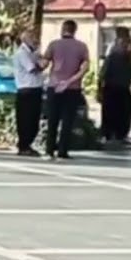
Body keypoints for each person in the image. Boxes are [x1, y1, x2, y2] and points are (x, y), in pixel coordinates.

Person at [41, 20, 91, 160]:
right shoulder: (82, 47)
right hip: (72, 88)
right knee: (68, 120)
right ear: (75, 30)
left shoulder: (53, 45)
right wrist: (72, 80)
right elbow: (85, 68)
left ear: (62, 29)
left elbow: (44, 64)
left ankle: (49, 150)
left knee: (53, 119)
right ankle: (63, 151)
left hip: (54, 86)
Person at [99, 28, 131, 146]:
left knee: (122, 111)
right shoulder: (115, 52)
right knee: (115, 112)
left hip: (119, 88)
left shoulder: (122, 55)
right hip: (114, 87)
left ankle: (116, 134)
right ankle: (112, 134)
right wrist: (100, 89)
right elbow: (103, 73)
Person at [12, 30, 46, 156]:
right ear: (26, 39)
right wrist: (44, 65)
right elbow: (32, 69)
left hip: (35, 89)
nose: (35, 40)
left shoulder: (33, 53)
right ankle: (24, 145)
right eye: (32, 37)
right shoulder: (22, 53)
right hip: (27, 89)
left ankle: (27, 144)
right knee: (26, 119)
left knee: (34, 119)